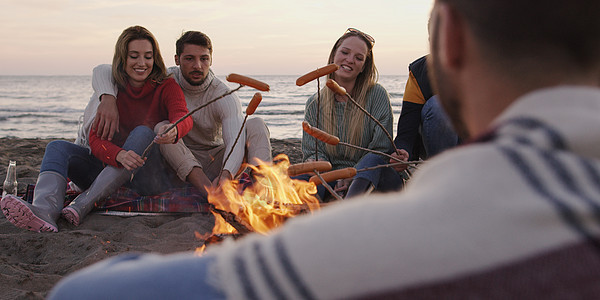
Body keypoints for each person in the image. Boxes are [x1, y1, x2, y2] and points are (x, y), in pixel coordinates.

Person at [50, 0, 600, 298]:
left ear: (450, 40)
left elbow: (86, 293)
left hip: (353, 183)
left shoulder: (394, 248)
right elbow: (115, 69)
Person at [0, 25, 192, 232]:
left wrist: (174, 129)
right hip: (108, 171)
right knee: (56, 147)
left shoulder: (166, 85)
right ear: (122, 58)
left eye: (148, 56)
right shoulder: (110, 89)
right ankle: (44, 212)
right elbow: (96, 140)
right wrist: (119, 155)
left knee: (143, 132)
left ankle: (81, 205)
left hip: (147, 177)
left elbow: (183, 116)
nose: (142, 63)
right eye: (134, 56)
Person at [92, 31, 272, 200]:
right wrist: (107, 96)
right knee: (162, 127)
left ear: (211, 60)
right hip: (178, 165)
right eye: (189, 59)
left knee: (256, 123)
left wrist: (225, 175)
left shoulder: (223, 95)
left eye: (204, 59)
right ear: (177, 59)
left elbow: (235, 141)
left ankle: (266, 193)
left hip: (216, 161)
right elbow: (103, 70)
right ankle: (209, 194)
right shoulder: (166, 78)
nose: (197, 66)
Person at [300, 28, 401, 200]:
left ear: (363, 67)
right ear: (333, 56)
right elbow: (313, 153)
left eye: (359, 58)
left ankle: (347, 214)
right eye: (345, 52)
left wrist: (352, 174)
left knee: (374, 160)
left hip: (371, 176)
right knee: (298, 178)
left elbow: (381, 149)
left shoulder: (376, 95)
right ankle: (309, 217)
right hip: (330, 178)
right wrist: (336, 176)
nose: (350, 60)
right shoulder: (314, 103)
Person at [394, 55, 459, 161]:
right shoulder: (420, 72)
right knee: (439, 105)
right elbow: (407, 128)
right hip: (434, 145)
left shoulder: (488, 65)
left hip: (479, 144)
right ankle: (440, 168)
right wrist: (402, 151)